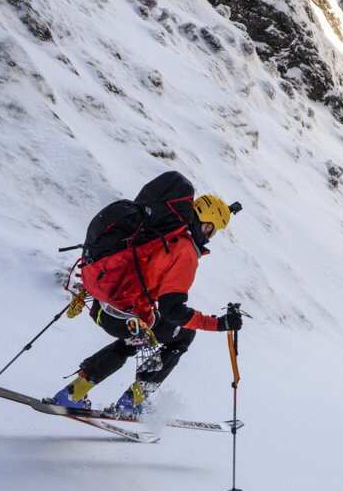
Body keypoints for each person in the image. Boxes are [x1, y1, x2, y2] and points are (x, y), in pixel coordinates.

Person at [52, 171, 243, 415]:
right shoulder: (184, 251)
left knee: (135, 337)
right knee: (182, 335)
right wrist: (218, 324)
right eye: (213, 231)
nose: (210, 238)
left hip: (102, 307)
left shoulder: (159, 232)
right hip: (124, 316)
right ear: (206, 226)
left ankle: (73, 394)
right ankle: (132, 403)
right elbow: (173, 311)